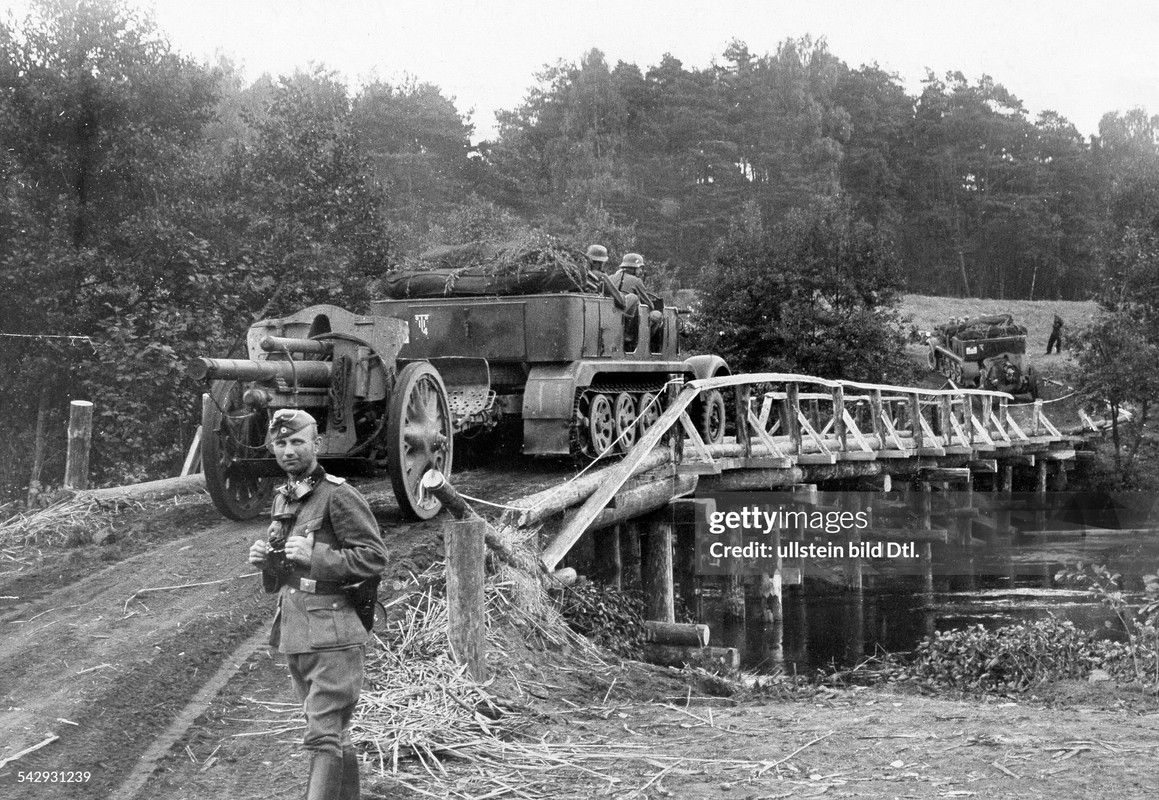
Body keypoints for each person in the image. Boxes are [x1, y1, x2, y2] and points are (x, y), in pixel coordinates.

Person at [248, 409, 387, 800]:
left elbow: (375, 557)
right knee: (334, 732)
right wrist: (267, 561)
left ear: (316, 444)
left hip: (333, 633)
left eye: (297, 442)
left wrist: (318, 557)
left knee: (321, 736)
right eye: (281, 443)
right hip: (298, 632)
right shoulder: (286, 495)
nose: (289, 450)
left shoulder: (338, 494)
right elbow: (285, 572)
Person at [610, 252, 664, 348]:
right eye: (639, 268)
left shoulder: (611, 278)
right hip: (625, 321)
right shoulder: (636, 281)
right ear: (634, 268)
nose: (640, 271)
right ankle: (639, 344)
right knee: (657, 315)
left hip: (611, 316)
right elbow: (648, 305)